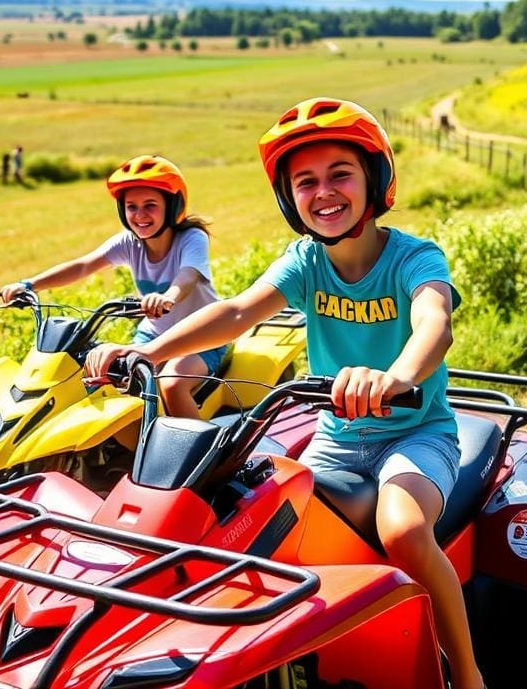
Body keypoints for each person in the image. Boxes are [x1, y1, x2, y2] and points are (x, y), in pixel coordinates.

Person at [84, 98, 485, 689]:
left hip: (414, 432)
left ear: (375, 179)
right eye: (306, 181)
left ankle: (468, 674)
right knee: (253, 520)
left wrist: (395, 377)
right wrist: (148, 352)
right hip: (336, 436)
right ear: (288, 197)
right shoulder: (305, 261)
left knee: (401, 529)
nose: (323, 191)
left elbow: (434, 323)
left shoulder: (412, 257)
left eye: (340, 174)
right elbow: (236, 312)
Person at [0, 155, 226, 418]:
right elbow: (84, 266)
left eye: (150, 205)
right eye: (131, 206)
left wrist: (169, 297)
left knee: (172, 384)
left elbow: (188, 276)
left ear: (173, 205)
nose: (139, 215)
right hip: (153, 335)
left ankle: (205, 455)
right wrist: (29, 284)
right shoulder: (129, 243)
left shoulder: (191, 239)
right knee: (111, 381)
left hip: (203, 336)